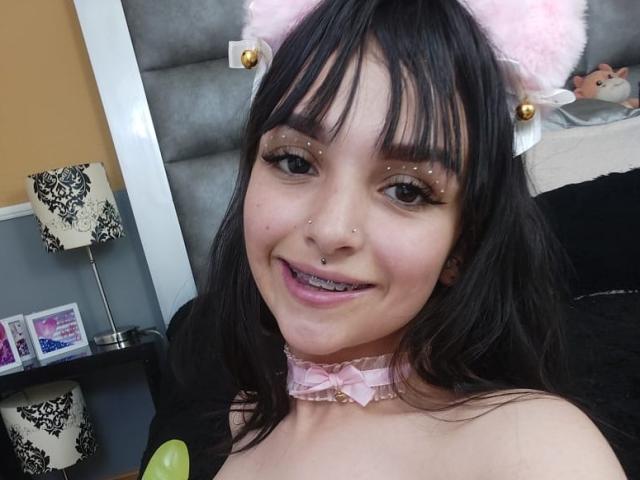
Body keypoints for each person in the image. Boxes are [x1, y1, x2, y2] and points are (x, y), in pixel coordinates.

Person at [169, 0, 628, 478]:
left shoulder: (532, 449)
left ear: (462, 245)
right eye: (294, 161)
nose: (330, 229)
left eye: (406, 191)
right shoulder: (245, 417)